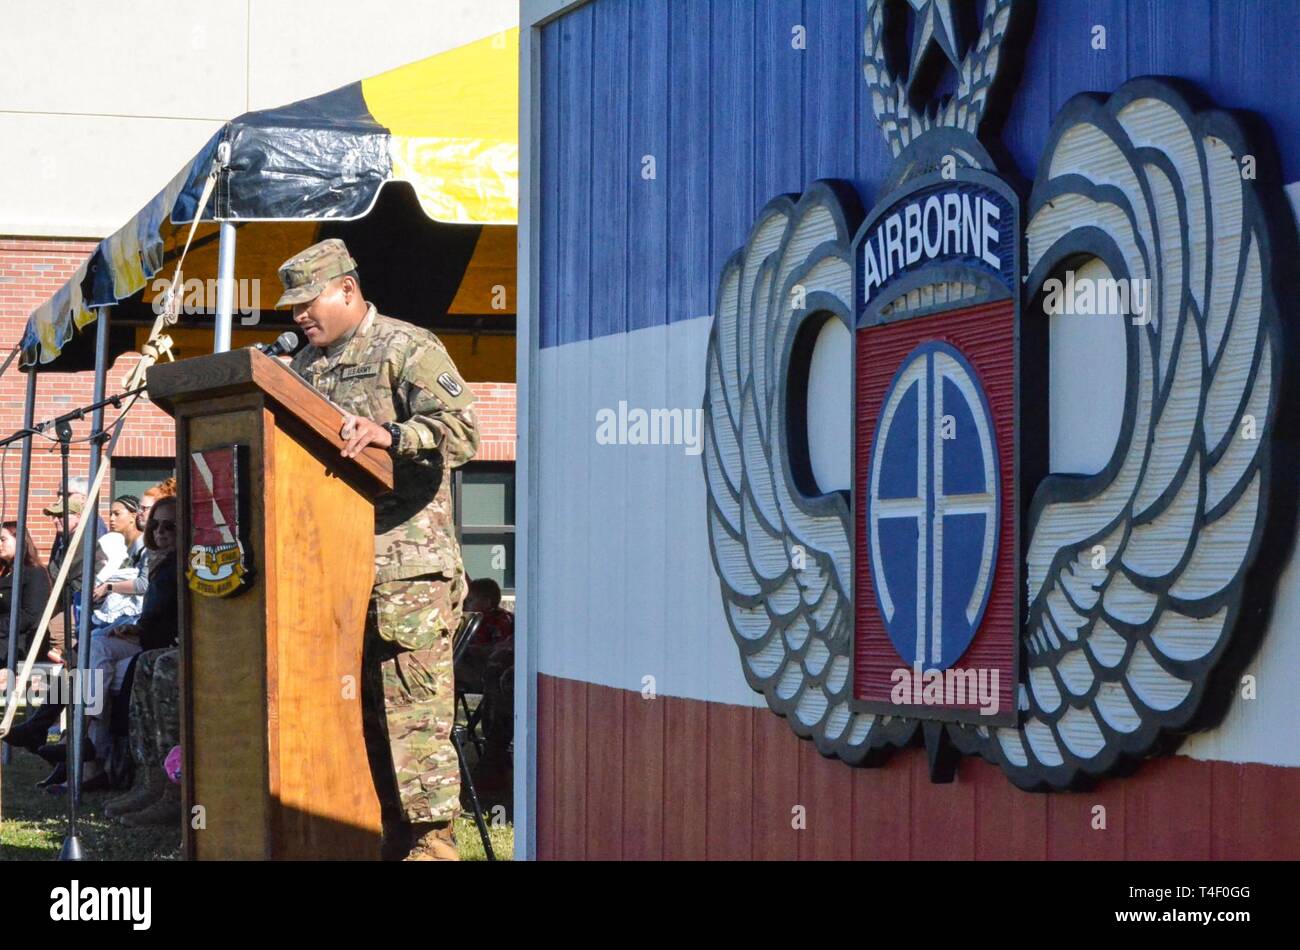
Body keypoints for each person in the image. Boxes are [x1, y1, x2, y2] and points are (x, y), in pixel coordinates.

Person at [278, 238, 479, 860]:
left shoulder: (406, 346)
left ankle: (432, 846)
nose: (299, 318)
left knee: (410, 717)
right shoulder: (303, 367)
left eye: (308, 303)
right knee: (356, 716)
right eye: (292, 309)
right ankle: (377, 837)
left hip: (406, 568)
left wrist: (389, 434)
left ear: (346, 288)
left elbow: (463, 431)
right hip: (334, 567)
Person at [98, 496, 182, 821]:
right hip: (149, 642)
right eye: (157, 525)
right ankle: (149, 779)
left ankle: (174, 788)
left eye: (170, 525)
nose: (161, 531)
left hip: (173, 647)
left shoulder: (185, 562)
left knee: (155, 665)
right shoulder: (161, 561)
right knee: (119, 656)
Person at [0, 522, 52, 687]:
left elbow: (29, 616)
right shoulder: (5, 573)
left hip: (21, 640)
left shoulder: (34, 572)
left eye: (3, 539)